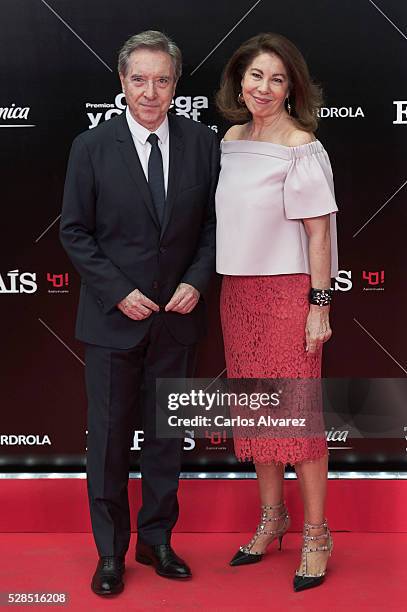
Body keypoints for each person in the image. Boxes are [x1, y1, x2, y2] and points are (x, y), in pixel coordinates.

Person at [60, 30, 219, 596]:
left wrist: (197, 281)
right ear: (121, 82)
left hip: (177, 319)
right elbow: (74, 232)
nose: (150, 91)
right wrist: (117, 291)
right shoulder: (91, 147)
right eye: (139, 79)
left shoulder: (203, 143)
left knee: (166, 438)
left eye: (162, 79)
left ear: (176, 83)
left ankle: (157, 541)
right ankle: (110, 553)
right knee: (106, 441)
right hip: (111, 320)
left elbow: (210, 227)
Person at [215, 32, 338, 592]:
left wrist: (318, 306)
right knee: (260, 416)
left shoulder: (301, 144)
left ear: (292, 87)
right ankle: (273, 519)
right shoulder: (232, 138)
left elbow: (320, 236)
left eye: (277, 78)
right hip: (237, 295)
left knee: (299, 422)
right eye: (256, 76)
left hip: (289, 298)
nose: (264, 87)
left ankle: (316, 534)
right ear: (239, 81)